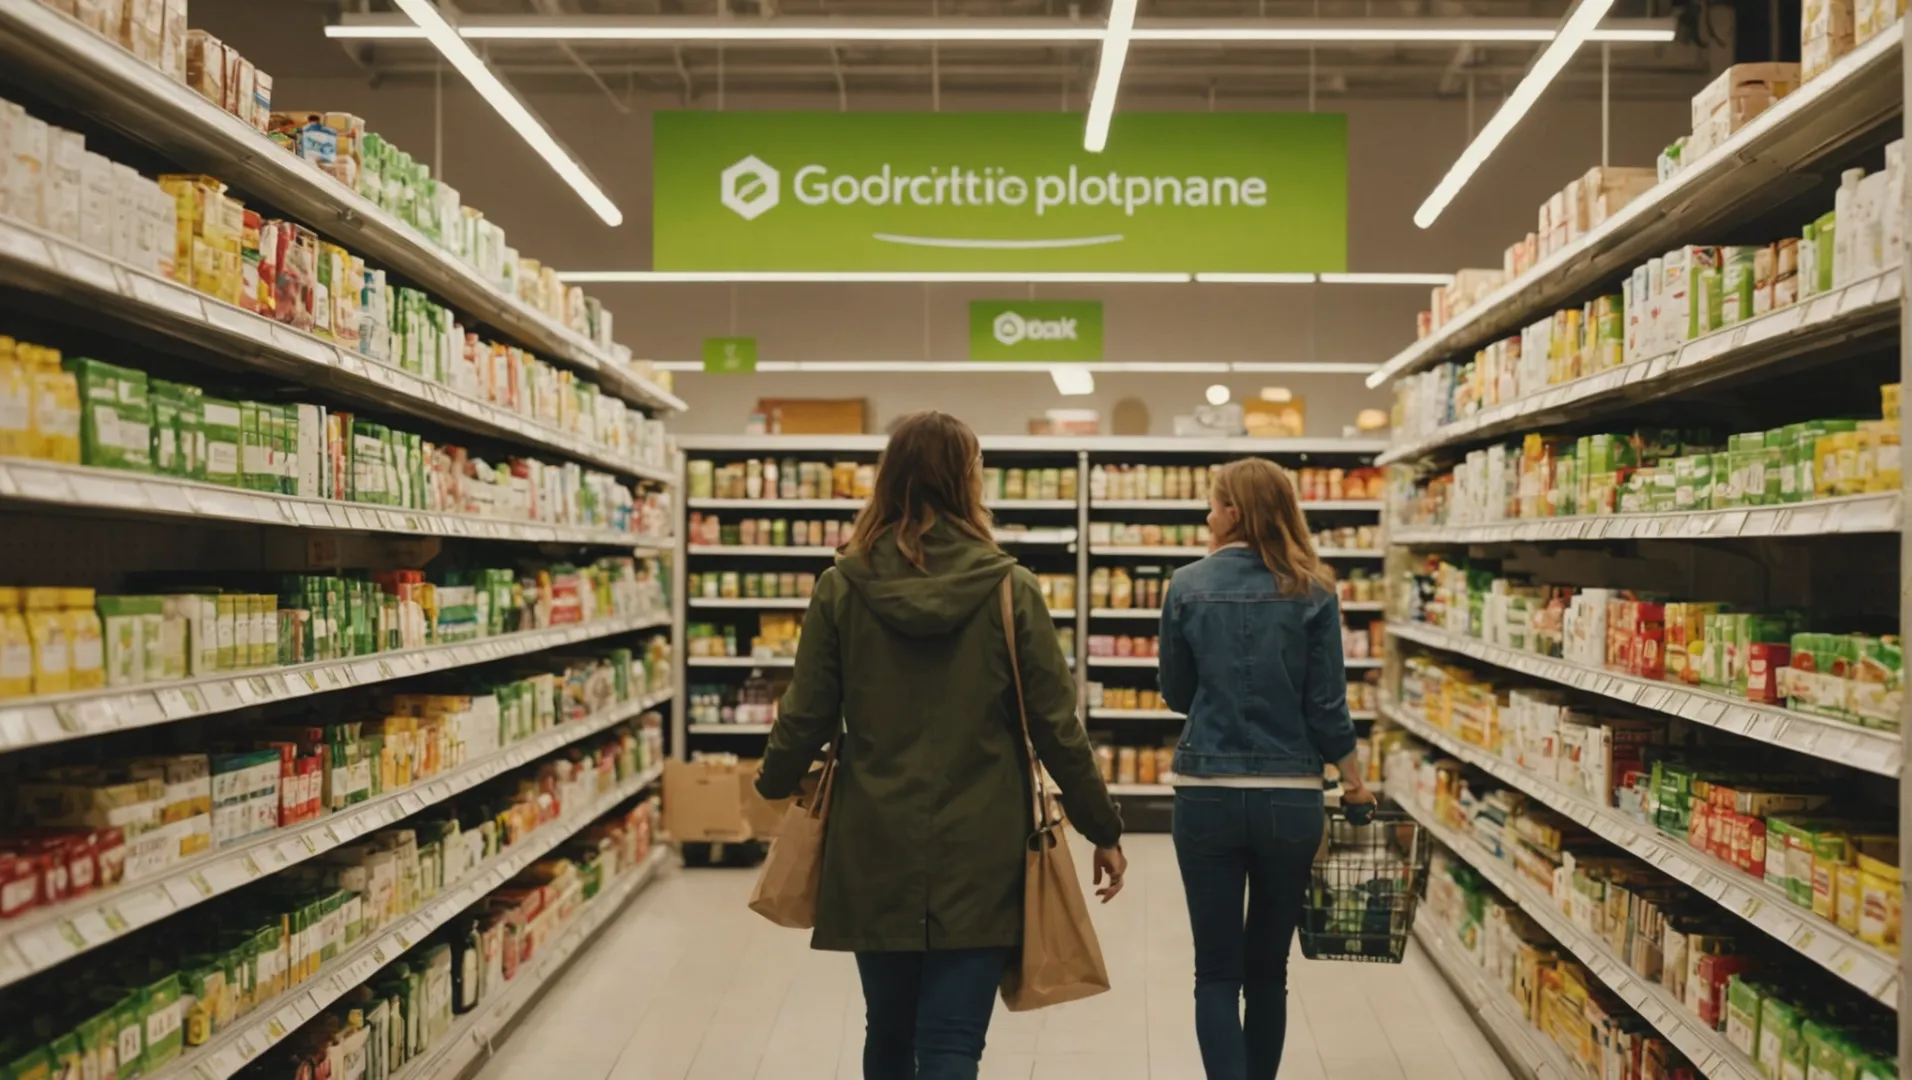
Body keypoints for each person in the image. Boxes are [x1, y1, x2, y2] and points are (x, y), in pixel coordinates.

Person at [756, 411, 1127, 1080]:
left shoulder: (841, 585)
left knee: (889, 1034)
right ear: (967, 482)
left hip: (873, 838)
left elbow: (804, 714)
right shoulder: (1010, 588)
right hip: (983, 843)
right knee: (953, 1043)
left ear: (887, 479)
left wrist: (771, 785)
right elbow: (1056, 727)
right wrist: (1102, 827)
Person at [1157, 457, 1376, 1080]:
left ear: (1234, 513)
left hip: (1206, 796)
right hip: (1291, 799)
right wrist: (1354, 780)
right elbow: (1328, 708)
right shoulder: (1315, 590)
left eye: (1212, 503)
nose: (1206, 515)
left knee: (1216, 973)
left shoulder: (1186, 584)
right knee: (1268, 973)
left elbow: (1175, 692)